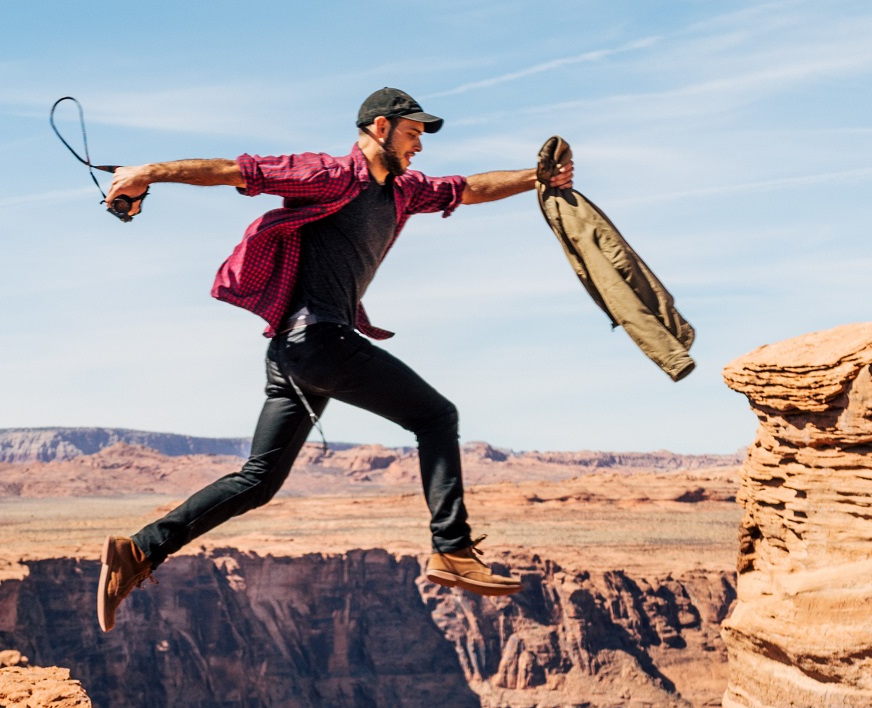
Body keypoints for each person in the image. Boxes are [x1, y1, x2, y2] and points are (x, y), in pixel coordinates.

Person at [97, 87, 574, 632]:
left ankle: (139, 552)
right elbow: (236, 170)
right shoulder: (329, 175)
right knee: (435, 417)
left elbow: (467, 188)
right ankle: (453, 548)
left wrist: (537, 178)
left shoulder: (402, 191)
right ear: (379, 128)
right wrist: (146, 173)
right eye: (413, 133)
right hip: (316, 342)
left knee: (258, 481)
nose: (419, 147)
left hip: (294, 353)